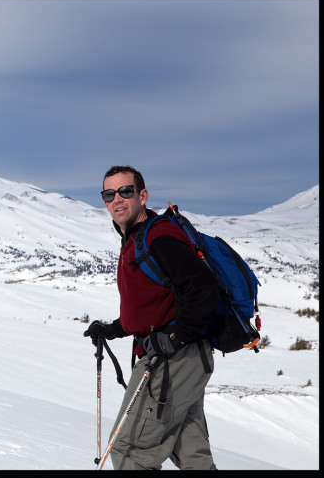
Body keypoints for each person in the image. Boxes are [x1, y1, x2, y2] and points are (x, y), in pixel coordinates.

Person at [84, 165, 221, 470]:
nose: (117, 199)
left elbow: (203, 288)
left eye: (126, 191)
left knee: (131, 450)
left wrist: (176, 337)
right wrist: (113, 329)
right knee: (192, 454)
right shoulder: (135, 239)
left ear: (142, 195)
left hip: (172, 359)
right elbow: (152, 307)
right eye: (109, 194)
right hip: (181, 358)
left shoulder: (158, 235)